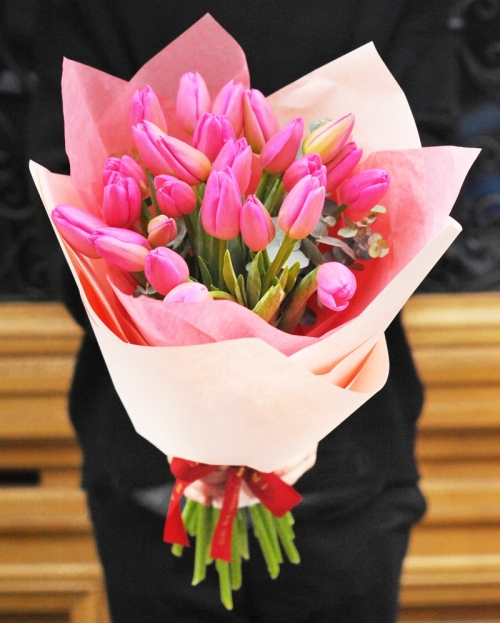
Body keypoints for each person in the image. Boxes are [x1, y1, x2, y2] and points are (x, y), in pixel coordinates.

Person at [29, 1, 458, 621]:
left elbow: (420, 193)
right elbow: (411, 195)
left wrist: (218, 387)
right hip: (186, 463)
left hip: (318, 463)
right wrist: (273, 375)